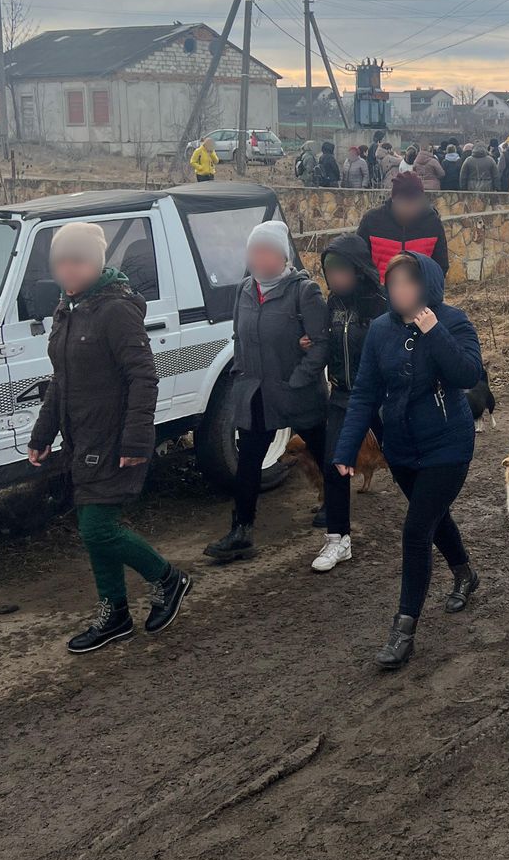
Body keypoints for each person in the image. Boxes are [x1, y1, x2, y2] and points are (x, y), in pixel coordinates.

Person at [26, 222, 192, 654]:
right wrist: (43, 434)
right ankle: (115, 612)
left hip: (113, 437)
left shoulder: (115, 309)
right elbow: (60, 380)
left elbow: (144, 377)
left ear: (97, 263)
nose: (68, 269)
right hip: (81, 436)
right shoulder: (70, 308)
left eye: (78, 260)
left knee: (98, 527)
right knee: (92, 526)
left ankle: (166, 578)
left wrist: (136, 442)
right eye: (61, 262)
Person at [333, 252, 484, 669]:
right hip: (400, 447)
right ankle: (465, 573)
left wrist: (433, 330)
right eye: (394, 284)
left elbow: (468, 375)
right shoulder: (381, 330)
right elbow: (364, 392)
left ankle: (403, 630)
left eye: (409, 283)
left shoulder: (452, 321)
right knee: (434, 517)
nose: (400, 292)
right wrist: (346, 449)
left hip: (448, 445)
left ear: (427, 286)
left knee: (417, 529)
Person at [204, 221, 330, 563]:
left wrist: (299, 380)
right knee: (248, 462)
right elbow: (239, 338)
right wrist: (240, 374)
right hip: (256, 393)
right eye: (253, 252)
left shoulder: (304, 291)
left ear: (282, 256)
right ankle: (241, 531)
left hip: (297, 394)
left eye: (265, 252)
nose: (257, 259)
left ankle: (335, 506)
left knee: (322, 450)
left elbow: (320, 344)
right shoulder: (244, 290)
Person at [305, 233, 387, 570]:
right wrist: (309, 343)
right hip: (341, 395)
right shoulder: (332, 305)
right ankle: (338, 540)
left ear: (358, 270)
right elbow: (327, 342)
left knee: (402, 458)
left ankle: (429, 521)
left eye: (341, 270)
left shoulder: (381, 303)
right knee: (334, 465)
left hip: (380, 397)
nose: (335, 278)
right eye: (330, 271)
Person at [357, 172, 449, 281]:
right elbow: (359, 262)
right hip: (378, 294)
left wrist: (424, 290)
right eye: (404, 202)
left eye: (415, 202)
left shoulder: (432, 222)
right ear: (393, 199)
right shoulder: (372, 220)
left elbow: (440, 266)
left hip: (420, 295)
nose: (410, 208)